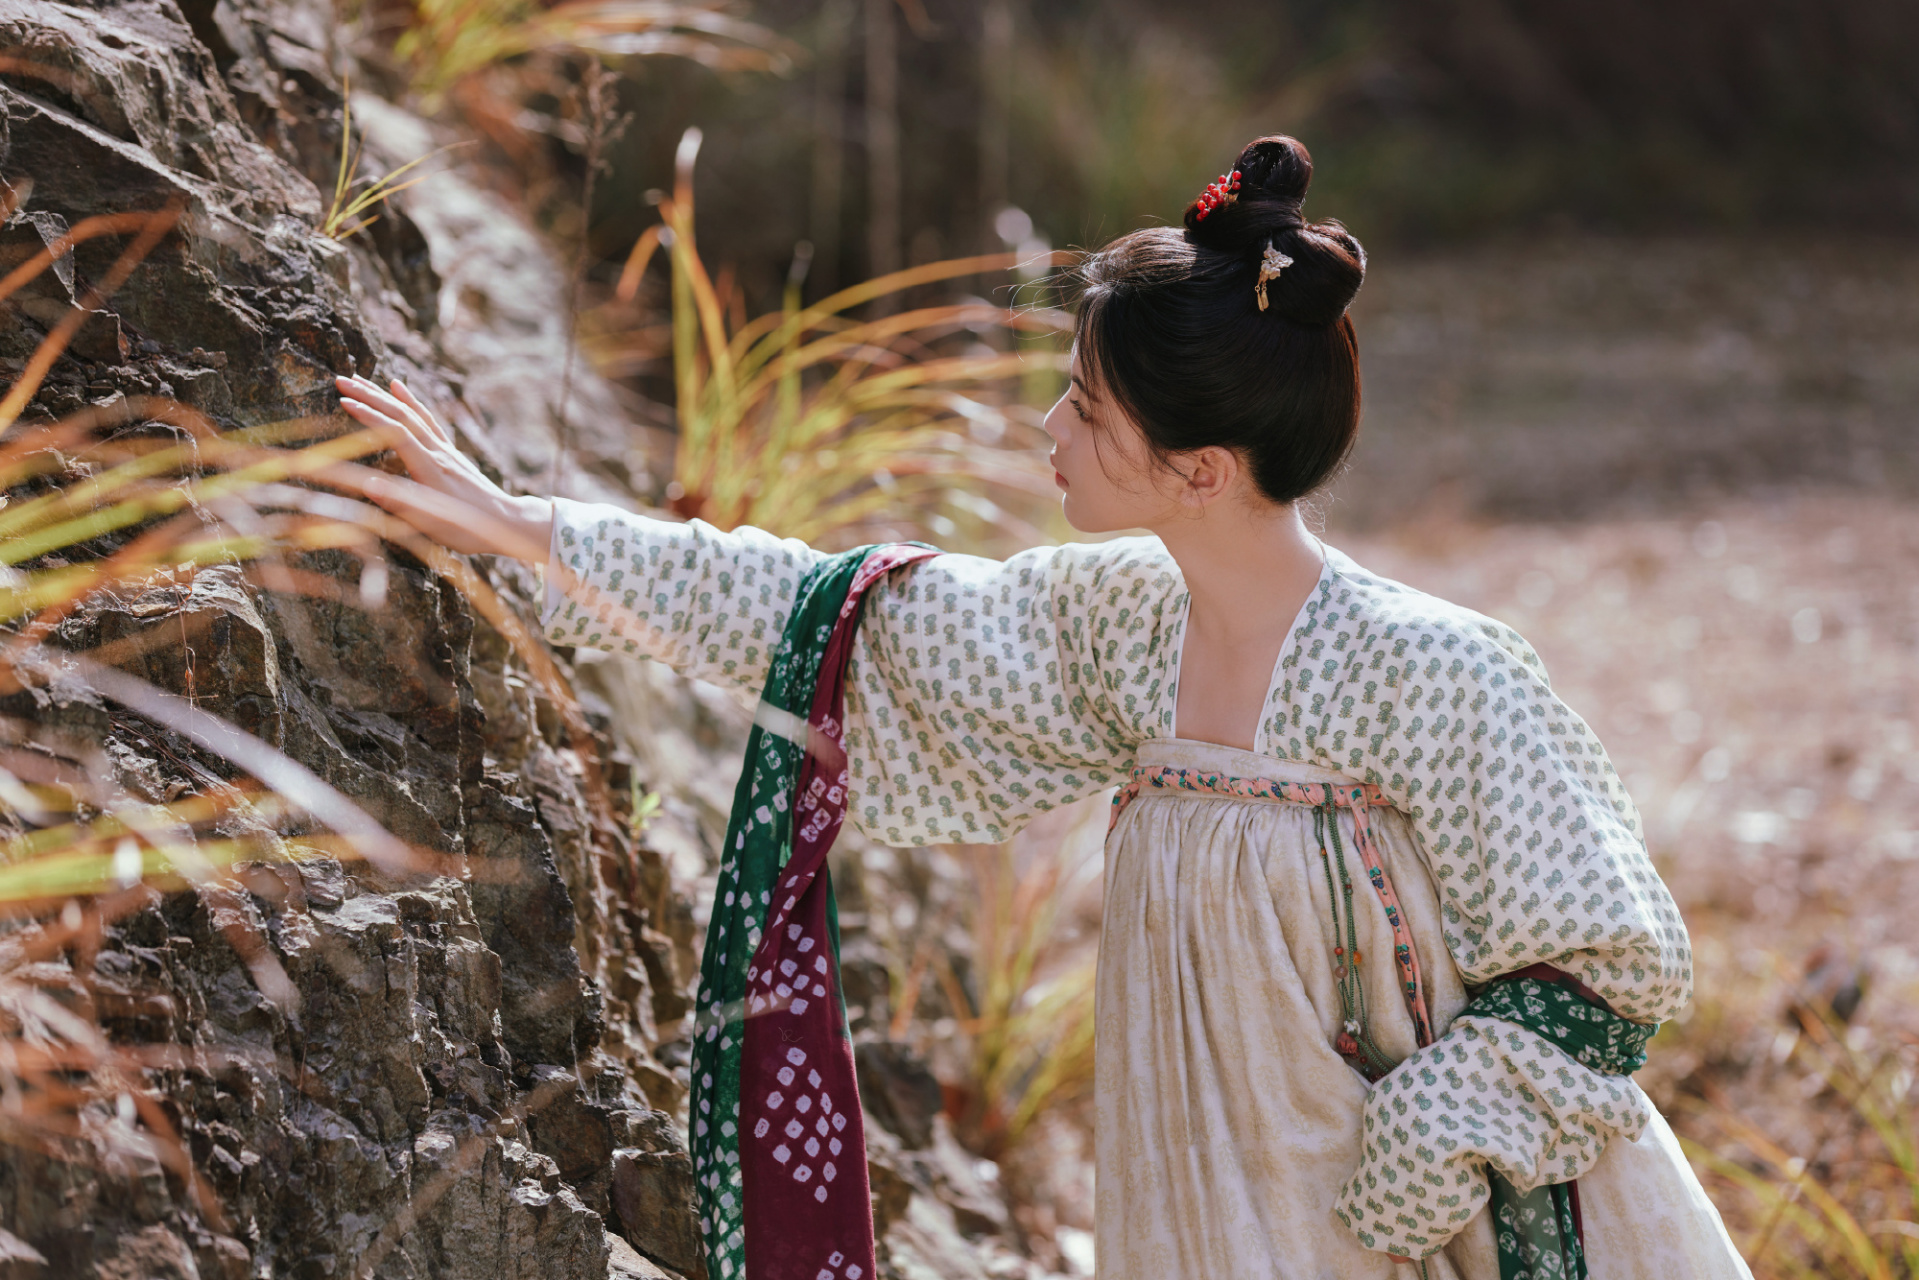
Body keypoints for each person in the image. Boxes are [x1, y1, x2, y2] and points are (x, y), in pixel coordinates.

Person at [336, 136, 1750, 1279]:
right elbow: (833, 616)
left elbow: (1602, 968)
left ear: (1201, 469)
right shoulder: (1126, 629)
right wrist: (523, 526)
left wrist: (1418, 1153)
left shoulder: (1435, 671)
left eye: (1086, 405)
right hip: (1201, 1208)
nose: (1048, 430)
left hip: (1428, 1232)